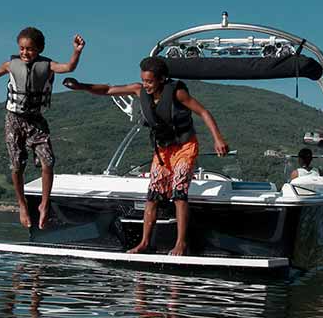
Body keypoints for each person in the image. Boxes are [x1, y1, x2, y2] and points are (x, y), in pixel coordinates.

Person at [62, 57, 229, 256]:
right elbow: (107, 90)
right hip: (162, 150)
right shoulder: (138, 90)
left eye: (150, 81)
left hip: (184, 146)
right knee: (153, 196)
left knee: (178, 193)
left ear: (162, 79)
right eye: (144, 80)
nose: (146, 85)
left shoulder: (177, 92)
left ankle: (181, 244)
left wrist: (218, 138)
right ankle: (145, 243)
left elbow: (203, 112)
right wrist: (81, 86)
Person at [0, 27, 85, 230]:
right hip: (14, 120)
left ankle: (45, 205)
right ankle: (22, 205)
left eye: (29, 49)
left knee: (48, 162)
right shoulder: (11, 65)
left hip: (36, 120)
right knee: (17, 166)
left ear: (39, 49)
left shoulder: (48, 65)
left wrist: (77, 51)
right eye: (21, 48)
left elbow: (69, 67)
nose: (25, 53)